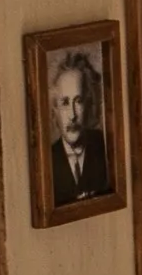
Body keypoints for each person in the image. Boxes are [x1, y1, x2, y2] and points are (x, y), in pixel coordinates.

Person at [47, 50, 116, 205]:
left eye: (78, 101)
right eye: (65, 103)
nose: (72, 115)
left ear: (89, 103)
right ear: (54, 110)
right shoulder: (48, 160)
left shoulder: (106, 148)